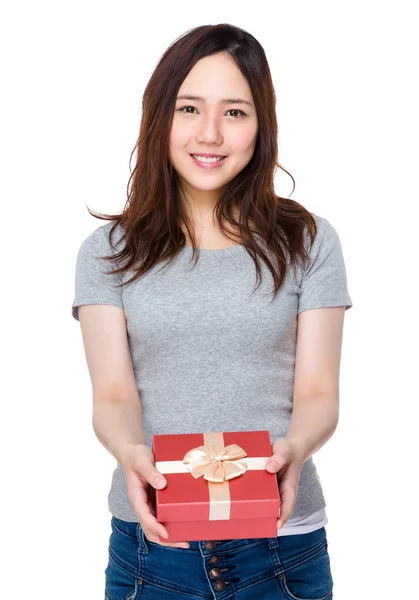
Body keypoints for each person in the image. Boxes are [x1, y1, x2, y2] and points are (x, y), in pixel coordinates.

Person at [72, 23, 352, 600]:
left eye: (235, 112)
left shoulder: (310, 242)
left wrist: (295, 449)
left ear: (261, 125)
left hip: (281, 546)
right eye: (190, 108)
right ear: (159, 119)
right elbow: (115, 396)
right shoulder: (106, 252)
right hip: (152, 548)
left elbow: (319, 391)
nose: (210, 134)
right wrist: (130, 454)